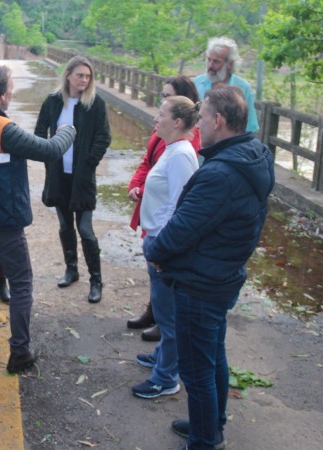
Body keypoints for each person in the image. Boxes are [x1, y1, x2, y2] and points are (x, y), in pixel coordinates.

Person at [145, 86, 274, 449]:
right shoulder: (254, 155)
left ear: (217, 120)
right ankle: (211, 423)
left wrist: (154, 250)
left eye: (201, 119)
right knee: (213, 354)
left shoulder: (220, 173)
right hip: (224, 272)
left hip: (201, 282)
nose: (198, 126)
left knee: (197, 370)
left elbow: (181, 230)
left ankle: (205, 441)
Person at [0, 64, 76, 373]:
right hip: (4, 222)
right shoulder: (3, 129)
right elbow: (49, 150)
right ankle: (20, 351)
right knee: (21, 284)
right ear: (2, 96)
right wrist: (68, 129)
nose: (13, 91)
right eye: (11, 87)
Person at [130, 95, 199, 400]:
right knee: (162, 308)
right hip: (156, 239)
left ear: (178, 122)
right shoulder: (171, 150)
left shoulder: (182, 155)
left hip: (163, 243)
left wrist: (164, 249)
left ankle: (166, 377)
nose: (155, 120)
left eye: (161, 115)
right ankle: (162, 357)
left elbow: (180, 207)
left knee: (169, 317)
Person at [34, 55, 111, 304]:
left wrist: (90, 162)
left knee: (86, 230)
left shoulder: (95, 104)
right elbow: (39, 132)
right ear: (68, 75)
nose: (84, 80)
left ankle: (96, 280)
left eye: (88, 76)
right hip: (59, 176)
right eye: (80, 75)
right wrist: (48, 158)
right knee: (65, 226)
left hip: (82, 178)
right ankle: (71, 270)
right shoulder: (54, 102)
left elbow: (104, 137)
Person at [193, 36, 259, 133]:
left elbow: (250, 128)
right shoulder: (197, 82)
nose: (210, 65)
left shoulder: (244, 88)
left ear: (230, 64)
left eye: (216, 61)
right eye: (209, 60)